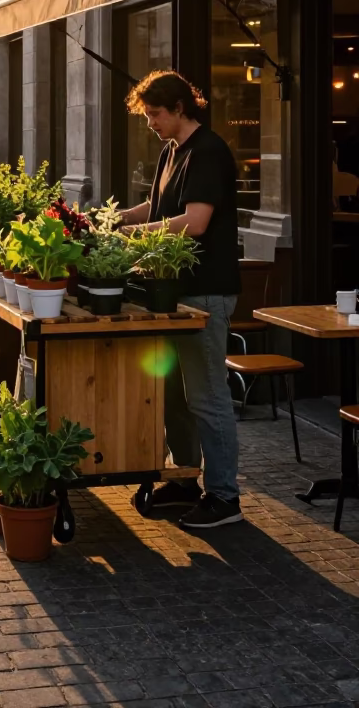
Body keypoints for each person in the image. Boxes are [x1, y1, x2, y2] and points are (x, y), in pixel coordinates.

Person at [120, 71, 242, 531]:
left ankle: (225, 497)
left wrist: (130, 234)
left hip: (205, 290)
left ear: (178, 108)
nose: (150, 122)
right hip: (172, 290)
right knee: (173, 391)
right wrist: (109, 218)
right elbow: (156, 209)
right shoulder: (172, 151)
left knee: (208, 396)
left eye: (154, 114)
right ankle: (187, 479)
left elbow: (193, 222)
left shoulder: (208, 152)